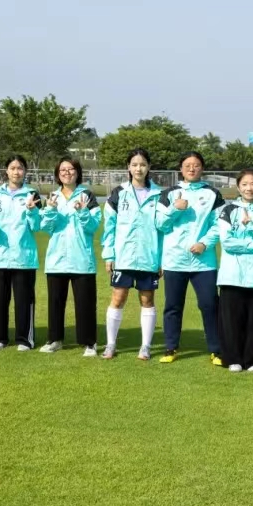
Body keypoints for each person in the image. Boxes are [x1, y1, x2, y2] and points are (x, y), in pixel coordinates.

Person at [154, 151, 224, 365]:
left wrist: (205, 243)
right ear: (180, 169)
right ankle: (170, 347)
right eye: (187, 165)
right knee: (173, 306)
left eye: (196, 165)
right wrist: (174, 209)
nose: (192, 168)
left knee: (209, 304)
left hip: (204, 262)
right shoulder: (168, 193)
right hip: (175, 260)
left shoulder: (212, 194)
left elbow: (219, 224)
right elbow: (160, 224)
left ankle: (216, 350)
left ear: (202, 168)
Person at [101, 148, 162, 360]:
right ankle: (110, 344)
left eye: (143, 164)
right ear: (128, 167)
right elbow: (109, 227)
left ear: (149, 167)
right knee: (118, 298)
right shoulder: (118, 193)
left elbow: (163, 230)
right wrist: (109, 255)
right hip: (123, 257)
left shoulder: (159, 194)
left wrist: (161, 260)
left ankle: (145, 346)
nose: (138, 168)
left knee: (147, 299)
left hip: (149, 257)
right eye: (134, 164)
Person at [39, 157, 100, 356]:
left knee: (85, 303)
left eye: (71, 169)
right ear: (58, 174)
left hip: (81, 258)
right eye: (63, 170)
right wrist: (50, 210)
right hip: (56, 259)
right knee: (55, 302)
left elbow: (93, 226)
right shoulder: (52, 196)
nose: (67, 173)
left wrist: (83, 212)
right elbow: (45, 228)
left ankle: (89, 342)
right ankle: (54, 339)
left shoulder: (87, 195)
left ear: (77, 172)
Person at [216, 168, 253, 373]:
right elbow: (227, 242)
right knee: (232, 320)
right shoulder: (228, 210)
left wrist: (252, 232)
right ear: (238, 187)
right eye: (245, 184)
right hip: (232, 275)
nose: (249, 188)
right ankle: (233, 358)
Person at [0, 154, 43, 351]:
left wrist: (32, 211)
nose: (16, 172)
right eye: (12, 168)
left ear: (25, 171)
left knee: (23, 301)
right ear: (6, 171)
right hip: (0, 256)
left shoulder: (32, 194)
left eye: (20, 168)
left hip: (23, 256)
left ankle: (24, 339)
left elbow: (37, 226)